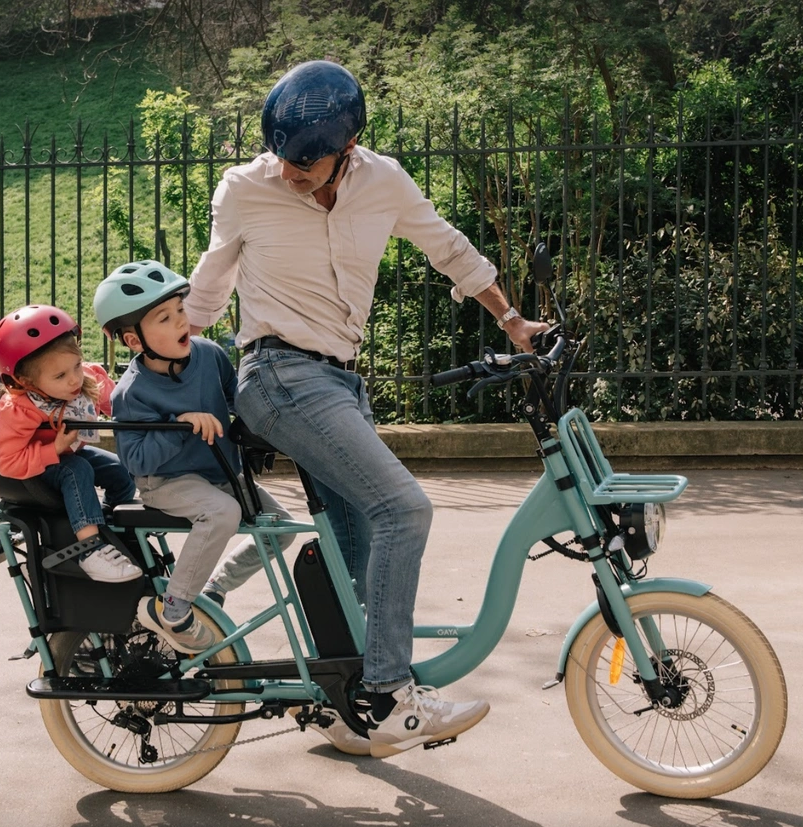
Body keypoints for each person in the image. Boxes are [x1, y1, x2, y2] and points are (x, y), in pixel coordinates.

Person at [183, 60, 549, 758]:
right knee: (403, 509)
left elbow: (450, 249)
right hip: (278, 375)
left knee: (356, 547)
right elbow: (209, 287)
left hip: (340, 385)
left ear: (347, 148)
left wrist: (513, 321)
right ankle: (389, 695)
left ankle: (346, 700)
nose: (289, 171)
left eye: (305, 161)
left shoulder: (384, 182)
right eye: (281, 157)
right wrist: (159, 367)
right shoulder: (245, 188)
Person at [94, 259, 296, 654]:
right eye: (164, 318)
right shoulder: (131, 393)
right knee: (222, 512)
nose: (181, 323)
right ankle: (172, 608)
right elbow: (137, 463)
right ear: (135, 340)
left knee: (282, 528)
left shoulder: (209, 356)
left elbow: (239, 402)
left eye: (181, 311)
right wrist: (179, 425)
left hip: (219, 473)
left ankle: (213, 588)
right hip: (166, 483)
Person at [0, 304, 142, 584]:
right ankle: (91, 550)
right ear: (26, 381)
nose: (73, 379)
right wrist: (54, 449)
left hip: (72, 452)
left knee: (120, 471)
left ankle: (110, 526)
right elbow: (8, 462)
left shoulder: (86, 379)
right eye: (60, 376)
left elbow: (120, 404)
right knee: (77, 470)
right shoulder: (20, 408)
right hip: (41, 465)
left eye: (75, 365)